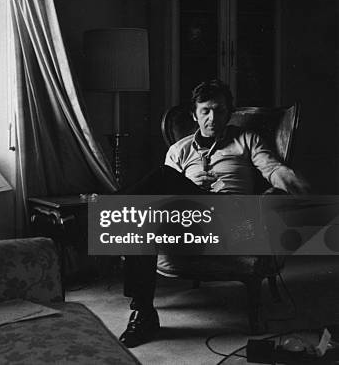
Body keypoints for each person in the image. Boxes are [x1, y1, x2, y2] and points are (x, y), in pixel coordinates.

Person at [118, 80, 310, 348]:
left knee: (161, 180)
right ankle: (143, 313)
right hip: (189, 223)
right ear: (194, 115)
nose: (212, 118)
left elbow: (271, 167)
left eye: (219, 110)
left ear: (229, 113)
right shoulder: (179, 150)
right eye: (206, 111)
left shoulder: (246, 139)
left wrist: (289, 181)